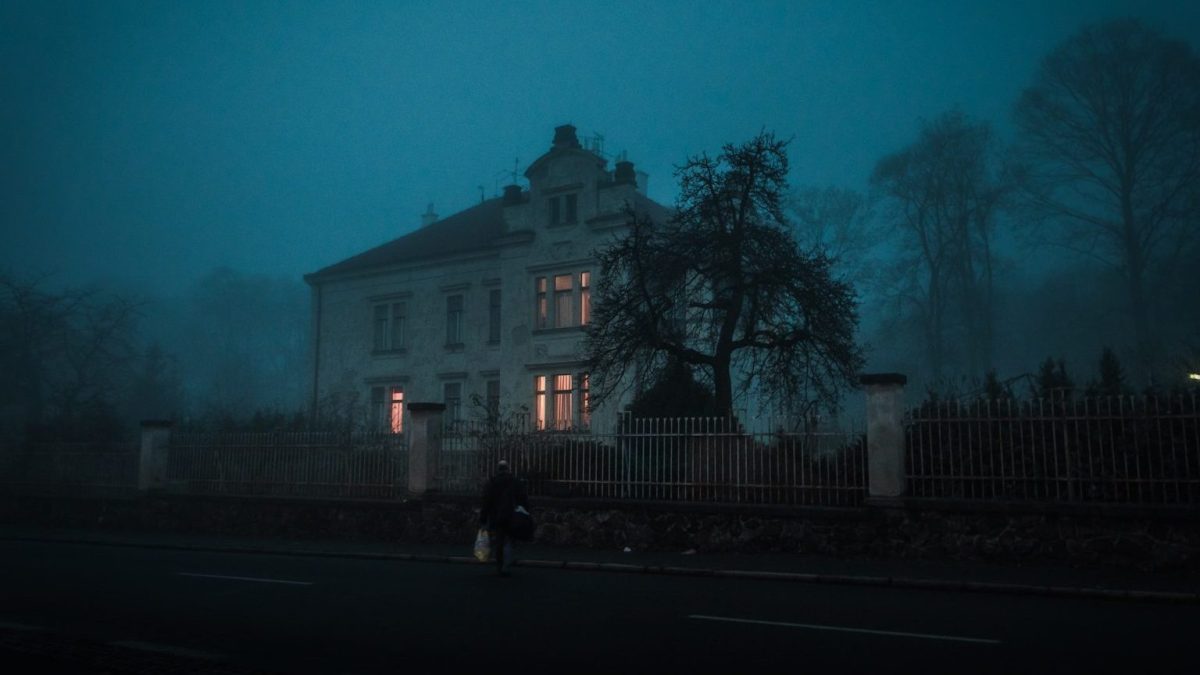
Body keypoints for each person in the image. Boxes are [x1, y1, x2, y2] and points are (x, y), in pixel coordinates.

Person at [479, 459, 528, 577]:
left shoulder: (492, 482)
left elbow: (486, 501)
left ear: (498, 469)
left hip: (496, 516)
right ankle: (507, 565)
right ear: (507, 469)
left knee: (499, 541)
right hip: (512, 515)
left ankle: (500, 567)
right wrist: (525, 512)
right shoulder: (515, 481)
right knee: (510, 540)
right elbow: (523, 498)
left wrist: (483, 518)